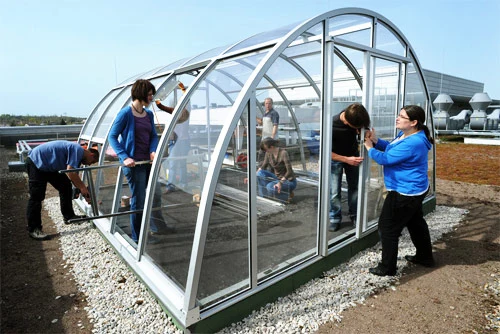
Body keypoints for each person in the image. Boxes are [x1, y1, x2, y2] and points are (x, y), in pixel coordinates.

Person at [364, 105, 435, 276]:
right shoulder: (408, 135)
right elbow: (391, 149)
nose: (397, 118)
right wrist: (376, 141)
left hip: (405, 192)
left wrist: (369, 147)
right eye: (399, 115)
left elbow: (386, 159)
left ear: (414, 122)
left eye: (402, 116)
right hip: (415, 188)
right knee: (416, 223)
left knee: (387, 228)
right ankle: (425, 257)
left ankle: (387, 267)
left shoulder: (414, 142)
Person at [108, 79, 174, 244]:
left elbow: (152, 135)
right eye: (150, 94)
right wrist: (124, 157)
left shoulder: (149, 114)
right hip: (134, 165)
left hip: (148, 163)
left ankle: (156, 226)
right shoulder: (125, 114)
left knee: (155, 194)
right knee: (138, 201)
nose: (152, 98)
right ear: (141, 94)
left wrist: (153, 150)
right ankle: (138, 238)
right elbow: (112, 137)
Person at [25, 140, 99, 240]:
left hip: (48, 166)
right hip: (36, 163)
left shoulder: (78, 154)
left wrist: (80, 189)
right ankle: (34, 229)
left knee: (65, 186)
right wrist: (82, 188)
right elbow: (70, 173)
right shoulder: (78, 150)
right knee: (36, 197)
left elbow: (74, 175)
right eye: (92, 162)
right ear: (91, 155)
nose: (89, 165)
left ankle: (69, 216)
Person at [329, 103, 371, 231]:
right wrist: (346, 159)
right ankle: (335, 217)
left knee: (355, 188)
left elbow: (365, 129)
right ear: (346, 122)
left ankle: (355, 215)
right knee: (334, 191)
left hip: (353, 157)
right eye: (356, 128)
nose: (358, 130)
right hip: (336, 159)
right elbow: (326, 152)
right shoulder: (331, 125)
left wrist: (367, 132)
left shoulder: (356, 116)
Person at [155, 84, 190, 193]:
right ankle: (171, 185)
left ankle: (182, 184)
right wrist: (157, 99)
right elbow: (161, 107)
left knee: (181, 162)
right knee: (173, 163)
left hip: (183, 140)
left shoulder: (185, 112)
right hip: (175, 141)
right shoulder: (173, 112)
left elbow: (188, 102)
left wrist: (183, 88)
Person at [256, 137, 297, 203]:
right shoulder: (268, 153)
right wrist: (251, 177)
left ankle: (286, 196)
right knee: (259, 173)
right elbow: (263, 166)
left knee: (269, 187)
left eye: (266, 150)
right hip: (277, 177)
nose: (266, 152)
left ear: (271, 147)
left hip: (288, 180)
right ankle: (264, 197)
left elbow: (289, 171)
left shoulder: (283, 153)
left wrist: (280, 183)